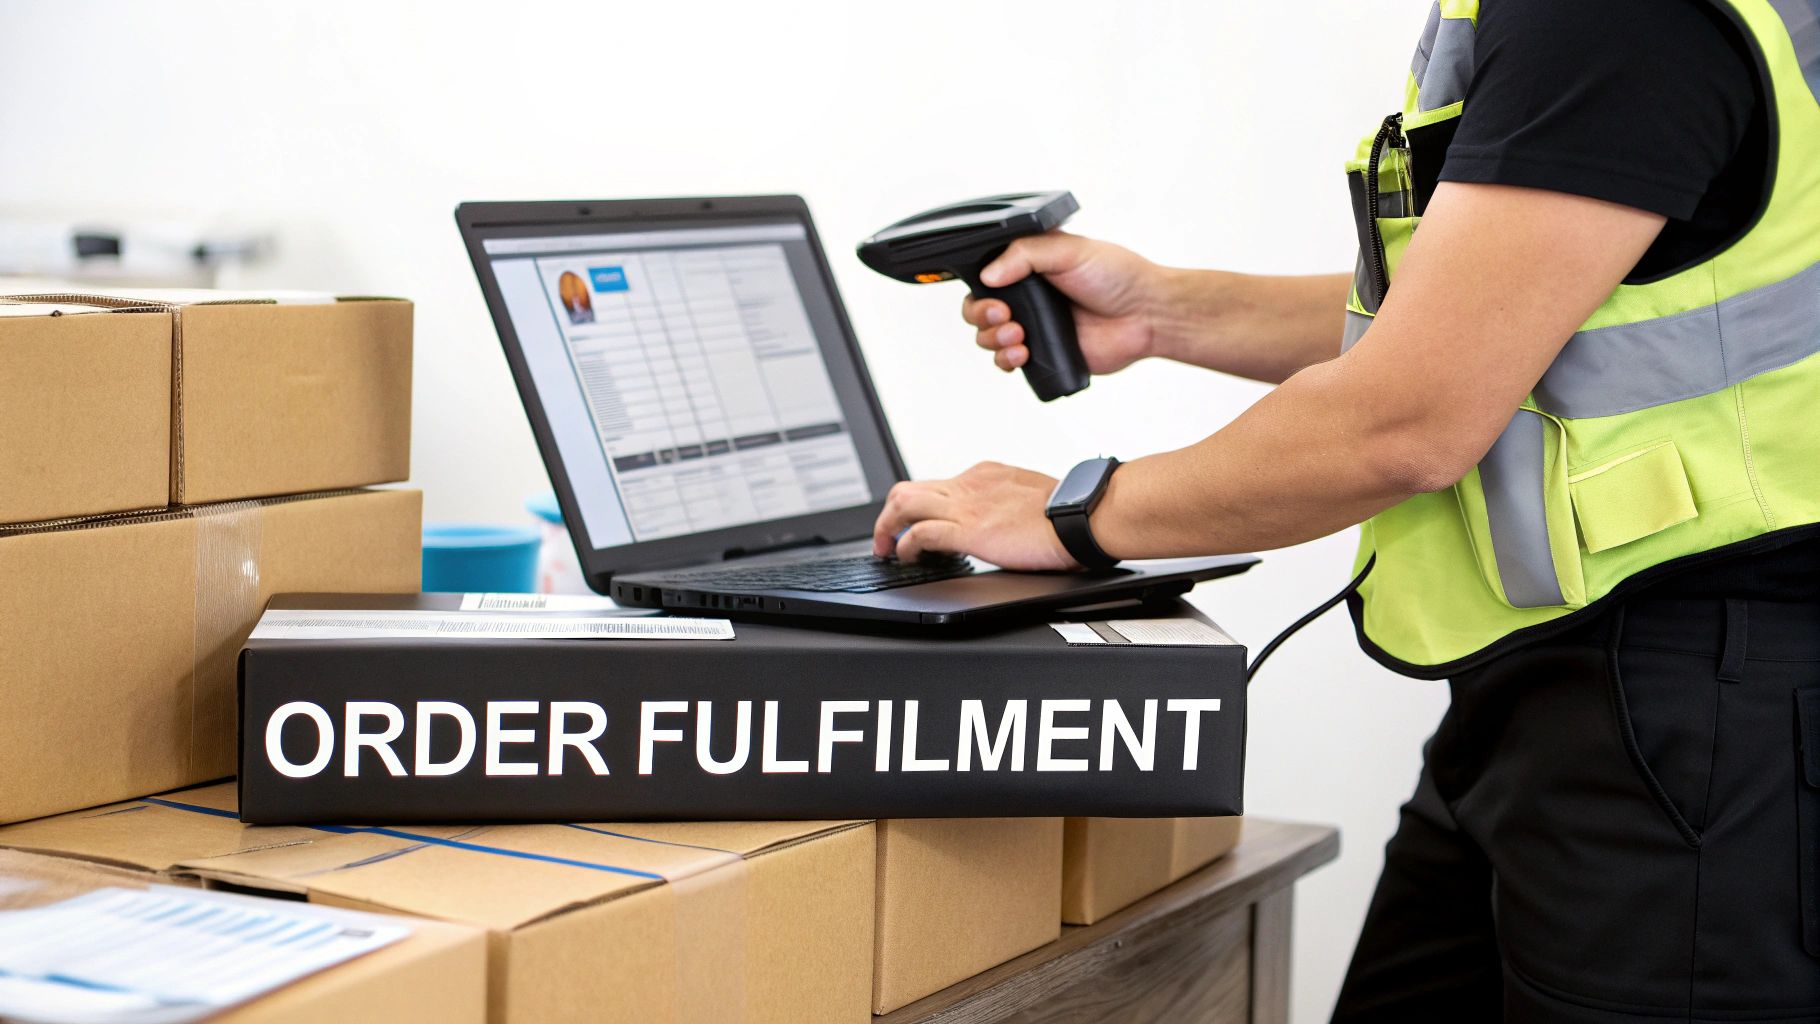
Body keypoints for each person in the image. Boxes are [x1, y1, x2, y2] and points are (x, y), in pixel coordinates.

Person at [871, 1, 1820, 1019]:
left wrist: (1069, 515)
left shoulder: (1608, 18)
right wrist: (1159, 311)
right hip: (1555, 684)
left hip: (1694, 708)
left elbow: (1406, 417)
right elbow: (1488, 308)